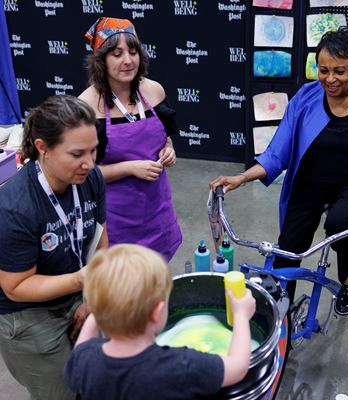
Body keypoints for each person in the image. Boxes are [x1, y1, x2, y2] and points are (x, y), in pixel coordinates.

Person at [211, 27, 348, 316]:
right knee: (288, 251)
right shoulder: (306, 97)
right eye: (323, 70)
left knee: (340, 225)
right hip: (310, 182)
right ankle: (281, 318)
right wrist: (242, 177)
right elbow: (278, 151)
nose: (330, 79)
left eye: (340, 71)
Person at [0, 95, 108, 400]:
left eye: (93, 150)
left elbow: (100, 240)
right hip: (28, 313)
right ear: (42, 148)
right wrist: (80, 280)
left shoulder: (90, 179)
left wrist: (90, 300)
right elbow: (16, 286)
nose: (89, 162)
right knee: (61, 392)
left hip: (76, 291)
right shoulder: (15, 207)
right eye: (76, 154)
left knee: (93, 377)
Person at [64, 244, 256, 399]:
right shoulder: (179, 366)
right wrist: (240, 315)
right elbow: (237, 367)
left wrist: (98, 310)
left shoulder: (85, 362)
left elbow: (83, 345)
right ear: (157, 312)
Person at [79, 17, 182, 261]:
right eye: (117, 54)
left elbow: (164, 137)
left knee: (155, 287)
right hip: (115, 221)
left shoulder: (154, 91)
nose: (128, 60)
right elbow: (83, 173)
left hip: (157, 212)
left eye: (133, 51)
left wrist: (169, 149)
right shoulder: (86, 107)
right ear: (101, 60)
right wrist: (130, 168)